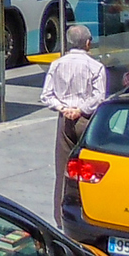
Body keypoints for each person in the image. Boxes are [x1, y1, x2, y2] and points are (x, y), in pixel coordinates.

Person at [42, 22, 106, 221]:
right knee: (89, 169)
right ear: (88, 43)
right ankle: (88, 213)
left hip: (64, 121)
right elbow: (99, 97)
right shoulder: (96, 66)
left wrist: (63, 109)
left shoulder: (57, 64)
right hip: (86, 120)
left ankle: (60, 217)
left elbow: (46, 95)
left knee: (62, 169)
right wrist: (80, 109)